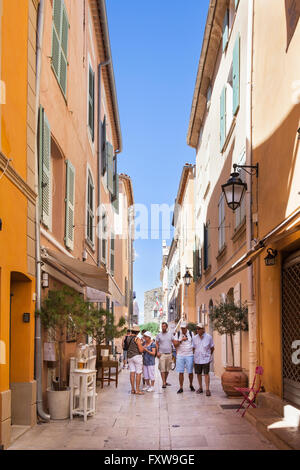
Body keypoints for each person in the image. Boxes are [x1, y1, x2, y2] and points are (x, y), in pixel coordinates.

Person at [173, 321, 195, 393]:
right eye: (182, 328)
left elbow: (194, 345)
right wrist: (181, 340)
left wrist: (193, 354)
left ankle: (191, 385)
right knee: (181, 372)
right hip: (180, 355)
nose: (183, 330)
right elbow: (175, 344)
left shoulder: (191, 334)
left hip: (189, 355)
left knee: (190, 372)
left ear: (187, 327)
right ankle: (181, 387)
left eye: (184, 328)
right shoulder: (178, 333)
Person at [193, 323, 214, 396]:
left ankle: (207, 389)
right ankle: (200, 388)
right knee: (198, 374)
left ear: (203, 329)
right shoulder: (194, 338)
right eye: (197, 328)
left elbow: (212, 348)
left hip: (206, 359)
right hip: (197, 358)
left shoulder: (209, 337)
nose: (197, 330)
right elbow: (193, 348)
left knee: (206, 374)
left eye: (199, 328)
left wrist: (208, 355)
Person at [127, 326, 145, 395]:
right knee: (138, 373)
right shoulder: (137, 339)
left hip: (130, 357)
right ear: (138, 332)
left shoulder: (128, 338)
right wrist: (143, 348)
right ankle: (137, 390)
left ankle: (132, 389)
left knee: (132, 372)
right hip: (137, 356)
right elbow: (140, 350)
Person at [156, 322, 173, 388]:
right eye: (162, 326)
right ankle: (163, 382)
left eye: (164, 326)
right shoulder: (159, 335)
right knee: (162, 369)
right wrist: (157, 352)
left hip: (169, 354)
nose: (163, 328)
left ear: (167, 327)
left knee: (167, 369)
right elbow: (157, 343)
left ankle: (165, 381)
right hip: (162, 354)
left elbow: (174, 342)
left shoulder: (170, 334)